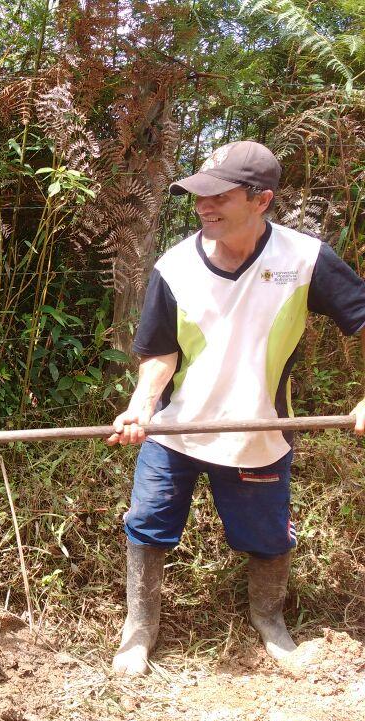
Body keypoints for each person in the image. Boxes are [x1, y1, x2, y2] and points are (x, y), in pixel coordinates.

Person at [107, 140, 365, 676]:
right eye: (198, 195)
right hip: (174, 430)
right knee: (148, 524)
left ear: (261, 199)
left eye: (219, 197)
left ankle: (269, 620)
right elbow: (159, 351)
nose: (203, 206)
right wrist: (141, 405)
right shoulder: (175, 266)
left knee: (267, 537)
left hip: (259, 432)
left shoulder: (304, 260)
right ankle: (139, 627)